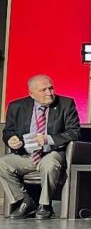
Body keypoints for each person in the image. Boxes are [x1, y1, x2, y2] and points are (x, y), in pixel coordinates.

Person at [0, 75, 81, 220]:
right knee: (2, 163)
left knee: (49, 164)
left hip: (52, 152)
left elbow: (74, 132)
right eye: (43, 90)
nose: (49, 93)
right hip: (27, 155)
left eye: (51, 88)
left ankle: (45, 205)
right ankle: (26, 200)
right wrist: (11, 140)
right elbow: (8, 132)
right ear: (31, 94)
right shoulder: (16, 106)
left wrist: (47, 139)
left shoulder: (66, 104)